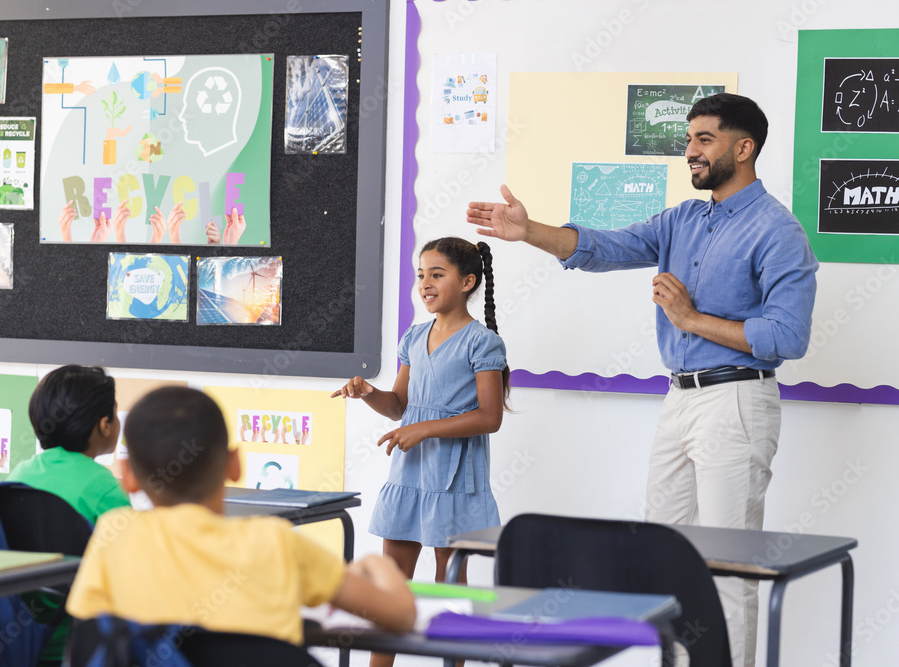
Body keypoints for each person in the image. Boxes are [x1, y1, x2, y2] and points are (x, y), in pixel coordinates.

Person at [467, 93, 818, 667]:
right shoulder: (683, 218)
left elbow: (788, 336)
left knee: (728, 565)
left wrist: (691, 320)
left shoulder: (778, 231)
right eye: (689, 140)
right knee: (667, 559)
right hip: (679, 400)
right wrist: (529, 231)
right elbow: (608, 247)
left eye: (704, 139)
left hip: (736, 401)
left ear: (744, 147)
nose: (691, 152)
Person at [66, 386, 415, 647]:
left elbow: (85, 640)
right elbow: (401, 615)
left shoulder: (115, 537)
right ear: (235, 465)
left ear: (126, 475)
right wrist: (376, 564)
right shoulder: (274, 542)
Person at [333, 237, 510, 667]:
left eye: (437, 274)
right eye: (420, 275)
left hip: (453, 477)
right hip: (409, 474)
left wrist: (425, 429)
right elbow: (398, 405)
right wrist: (368, 392)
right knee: (392, 585)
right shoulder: (414, 336)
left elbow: (490, 417)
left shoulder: (482, 343)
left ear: (467, 281)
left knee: (450, 586)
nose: (425, 283)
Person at [8, 364, 131, 665]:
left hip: (20, 643)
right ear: (105, 424)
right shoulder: (102, 487)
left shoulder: (19, 473)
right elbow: (135, 571)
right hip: (83, 648)